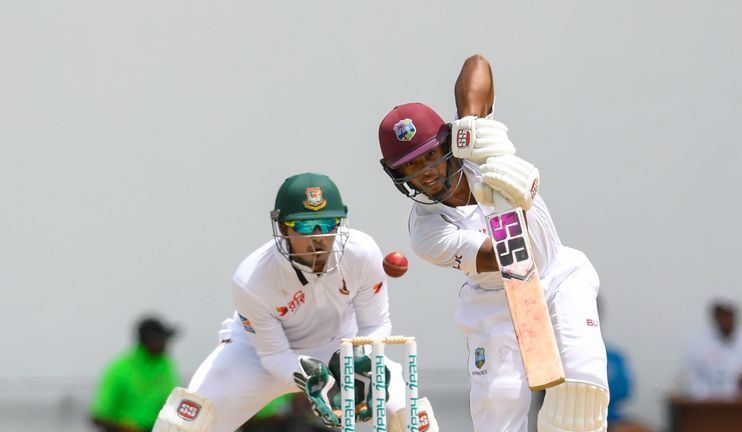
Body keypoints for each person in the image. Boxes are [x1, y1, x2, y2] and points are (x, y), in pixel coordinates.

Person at [376, 54, 609, 432]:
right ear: (400, 177)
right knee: (498, 411)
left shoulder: (476, 153)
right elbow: (509, 258)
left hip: (558, 277)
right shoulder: (427, 232)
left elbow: (477, 64)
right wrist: (511, 196)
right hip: (495, 302)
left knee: (580, 397)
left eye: (431, 157)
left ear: (448, 146)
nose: (428, 174)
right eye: (412, 168)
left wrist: (473, 124)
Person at [152, 172, 438, 432]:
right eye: (304, 226)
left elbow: (376, 323)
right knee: (184, 424)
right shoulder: (253, 279)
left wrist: (360, 358)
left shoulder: (362, 252)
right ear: (282, 227)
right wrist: (311, 379)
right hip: (256, 356)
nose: (318, 238)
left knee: (409, 415)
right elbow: (273, 355)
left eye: (327, 224)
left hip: (342, 347)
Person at [91, 316, 181, 432]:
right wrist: (125, 428)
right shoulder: (121, 369)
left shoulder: (165, 365)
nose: (165, 344)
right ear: (148, 340)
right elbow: (99, 416)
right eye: (161, 340)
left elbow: (172, 403)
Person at [683, 296, 742, 399]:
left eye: (728, 315)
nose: (725, 319)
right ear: (714, 317)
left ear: (735, 316)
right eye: (721, 315)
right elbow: (692, 377)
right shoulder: (697, 342)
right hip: (708, 405)